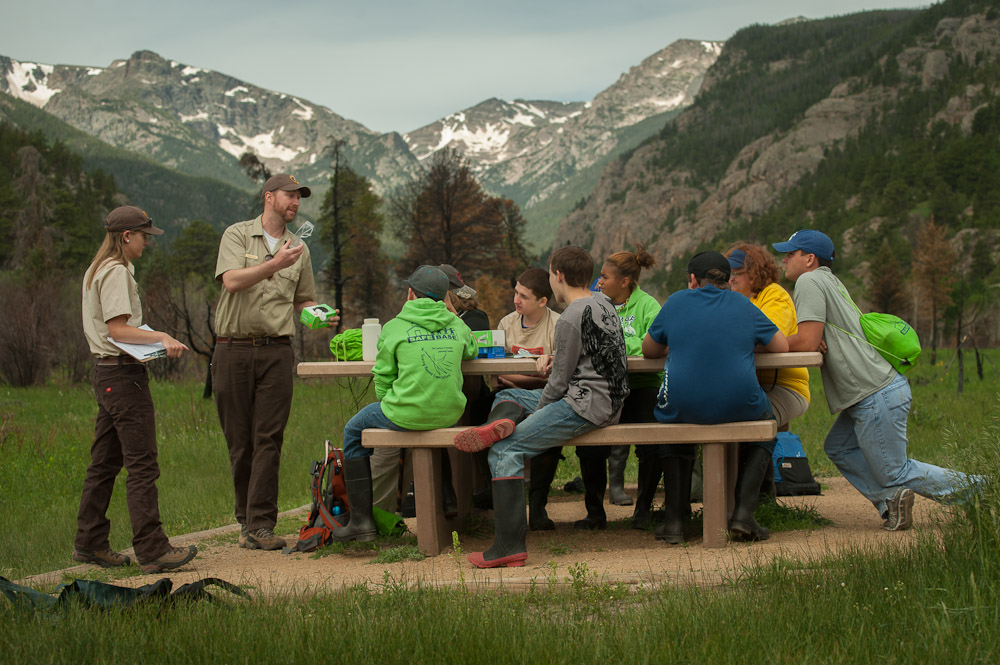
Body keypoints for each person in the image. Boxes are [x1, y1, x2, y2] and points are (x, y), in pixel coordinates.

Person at [774, 229, 980, 530]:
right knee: (839, 448)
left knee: (895, 471)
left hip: (874, 393)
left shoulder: (809, 280)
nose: (784, 260)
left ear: (809, 259)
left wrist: (771, 342)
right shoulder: (830, 280)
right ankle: (891, 502)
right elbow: (814, 338)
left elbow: (806, 342)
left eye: (790, 254)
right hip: (874, 391)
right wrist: (813, 338)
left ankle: (983, 491)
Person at [454, 246, 629, 568]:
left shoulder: (569, 318)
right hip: (606, 399)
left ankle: (508, 546)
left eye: (550, 273)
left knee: (504, 451)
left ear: (558, 275)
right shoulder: (602, 303)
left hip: (584, 404)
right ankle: (499, 425)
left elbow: (558, 385)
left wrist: (541, 413)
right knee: (513, 396)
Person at [213, 174, 335, 552]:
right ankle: (244, 519)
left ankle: (261, 525)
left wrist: (317, 314)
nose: (296, 201)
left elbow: (302, 301)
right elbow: (231, 281)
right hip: (231, 349)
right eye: (289, 195)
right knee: (240, 440)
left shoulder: (299, 248)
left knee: (269, 438)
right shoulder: (237, 235)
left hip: (277, 351)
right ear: (269, 197)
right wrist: (274, 263)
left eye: (299, 197)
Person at [75, 205, 198, 574]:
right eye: (144, 235)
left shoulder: (100, 269)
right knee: (142, 463)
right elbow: (118, 330)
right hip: (123, 377)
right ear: (126, 236)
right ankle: (153, 548)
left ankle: (90, 542)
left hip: (108, 374)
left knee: (105, 463)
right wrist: (161, 336)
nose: (148, 241)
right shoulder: (114, 272)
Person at [642, 251, 788, 543]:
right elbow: (781, 346)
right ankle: (743, 516)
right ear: (728, 280)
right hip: (740, 404)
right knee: (765, 429)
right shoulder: (743, 304)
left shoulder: (676, 302)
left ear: (693, 279)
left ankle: (674, 522)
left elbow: (649, 350)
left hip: (682, 404)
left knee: (672, 432)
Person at [331, 265, 478, 542]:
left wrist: (390, 404)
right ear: (444, 298)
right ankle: (447, 498)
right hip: (449, 414)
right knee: (427, 418)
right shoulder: (457, 324)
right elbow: (471, 349)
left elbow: (383, 375)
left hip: (405, 413)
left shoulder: (395, 326)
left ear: (410, 293)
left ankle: (361, 522)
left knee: (352, 430)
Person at [575, 245, 663, 530]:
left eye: (605, 277)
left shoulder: (648, 305)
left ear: (624, 282)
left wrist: (616, 345)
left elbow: (657, 343)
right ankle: (595, 512)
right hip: (603, 387)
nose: (599, 282)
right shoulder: (594, 302)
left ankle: (643, 509)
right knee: (589, 447)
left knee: (652, 444)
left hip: (642, 386)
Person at [495, 267, 563, 530]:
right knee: (492, 423)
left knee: (547, 424)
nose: (516, 299)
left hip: (545, 398)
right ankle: (504, 509)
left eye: (524, 296)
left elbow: (556, 378)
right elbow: (497, 373)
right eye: (516, 292)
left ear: (543, 301)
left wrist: (515, 378)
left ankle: (537, 507)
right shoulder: (506, 324)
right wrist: (531, 377)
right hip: (510, 395)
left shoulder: (558, 325)